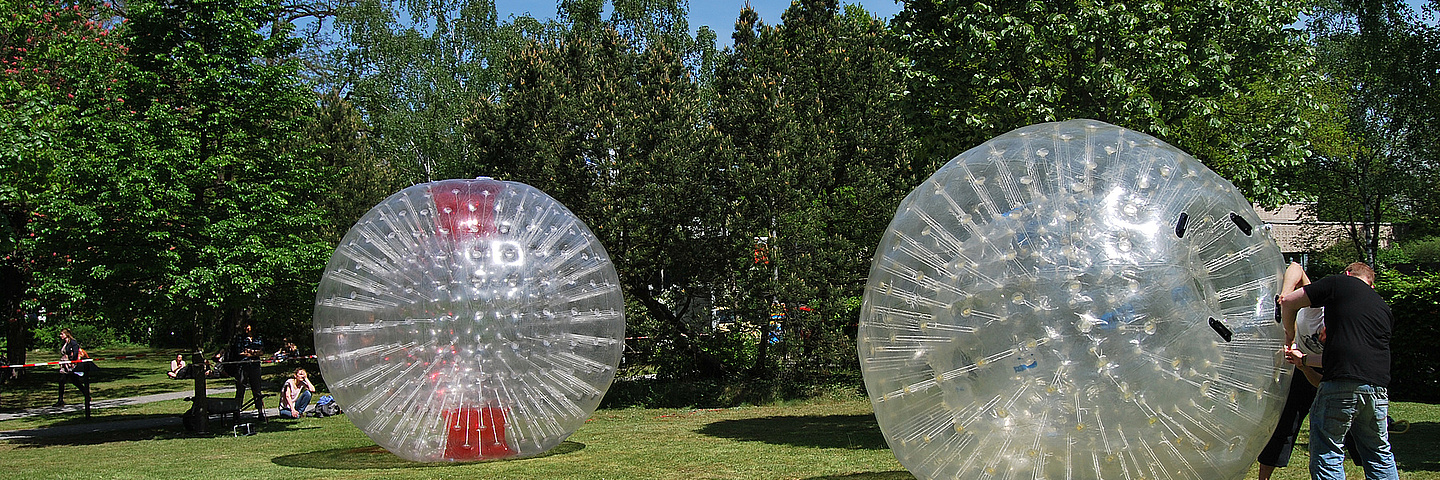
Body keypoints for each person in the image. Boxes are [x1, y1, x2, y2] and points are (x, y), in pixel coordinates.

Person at [1281, 261, 1397, 480]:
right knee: (1378, 452)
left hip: (1340, 385)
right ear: (1371, 285)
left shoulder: (1338, 283)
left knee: (1328, 450)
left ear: (1347, 273)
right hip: (1377, 389)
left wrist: (1290, 335)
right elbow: (1349, 355)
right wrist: (1304, 361)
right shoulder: (1383, 308)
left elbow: (1288, 301)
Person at [1256, 262, 1326, 479]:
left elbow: (1319, 382)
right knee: (1285, 424)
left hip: (1320, 374)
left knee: (1331, 430)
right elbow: (1296, 266)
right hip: (1299, 368)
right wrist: (1286, 296)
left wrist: (1303, 365)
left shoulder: (1347, 336)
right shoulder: (1318, 309)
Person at [229, 322, 266, 421]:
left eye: (248, 326)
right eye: (245, 327)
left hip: (255, 366)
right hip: (243, 366)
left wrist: (251, 352)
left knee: (257, 390)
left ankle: (260, 412)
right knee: (241, 389)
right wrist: (253, 352)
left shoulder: (258, 338)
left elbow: (261, 351)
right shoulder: (240, 338)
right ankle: (237, 412)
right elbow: (240, 352)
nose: (246, 329)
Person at [54, 328, 92, 417]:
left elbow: (75, 353)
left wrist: (73, 362)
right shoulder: (66, 343)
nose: (61, 336)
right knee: (61, 381)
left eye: (62, 334)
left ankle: (87, 395)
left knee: (75, 382)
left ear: (66, 334)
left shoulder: (73, 342)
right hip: (64, 365)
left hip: (70, 365)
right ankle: (60, 400)